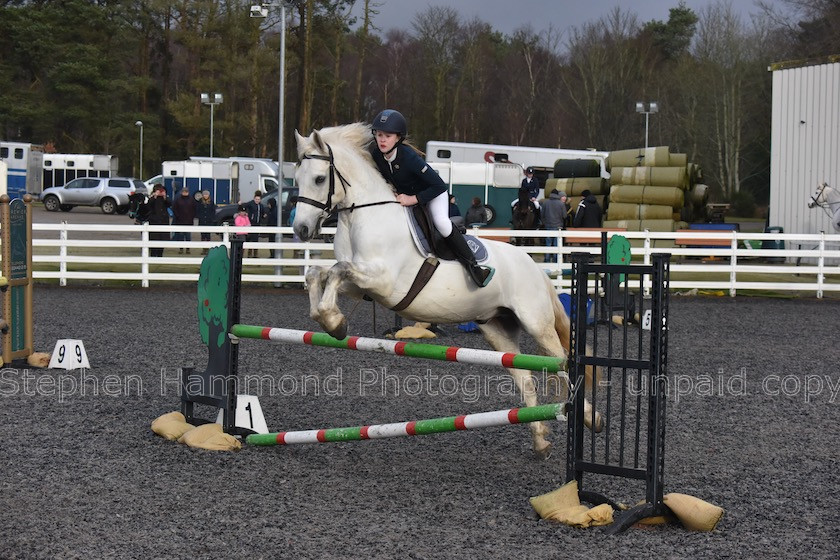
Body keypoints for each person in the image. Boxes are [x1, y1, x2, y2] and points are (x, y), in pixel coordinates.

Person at [368, 109, 493, 287]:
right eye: (379, 134)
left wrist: (413, 199)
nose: (382, 139)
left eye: (387, 135)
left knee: (441, 222)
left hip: (432, 193)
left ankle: (474, 268)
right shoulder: (377, 155)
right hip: (406, 196)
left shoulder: (410, 158)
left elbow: (439, 186)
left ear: (398, 138)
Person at [541, 189, 568, 263]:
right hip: (558, 226)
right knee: (557, 245)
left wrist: (545, 223)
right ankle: (556, 261)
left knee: (548, 244)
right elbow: (564, 216)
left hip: (548, 226)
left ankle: (547, 260)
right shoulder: (561, 204)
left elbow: (542, 215)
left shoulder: (545, 203)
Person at [146, 185, 171, 257]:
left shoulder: (165, 198)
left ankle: (160, 255)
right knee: (153, 240)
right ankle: (153, 256)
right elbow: (148, 206)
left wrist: (165, 197)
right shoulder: (152, 198)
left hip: (163, 222)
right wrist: (155, 196)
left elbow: (170, 204)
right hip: (154, 221)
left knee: (162, 241)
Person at [172, 186, 197, 254]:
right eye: (184, 191)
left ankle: (188, 249)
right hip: (179, 220)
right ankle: (181, 249)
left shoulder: (192, 200)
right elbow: (174, 208)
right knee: (180, 236)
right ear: (181, 192)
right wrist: (177, 216)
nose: (185, 193)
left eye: (186, 192)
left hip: (189, 221)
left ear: (188, 192)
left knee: (188, 236)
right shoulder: (178, 199)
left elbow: (194, 209)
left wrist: (192, 216)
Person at [244, 191, 266, 258]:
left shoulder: (261, 206)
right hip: (252, 223)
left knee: (256, 239)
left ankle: (255, 254)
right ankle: (249, 254)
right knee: (250, 239)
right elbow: (244, 205)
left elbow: (262, 213)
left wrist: (264, 216)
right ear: (254, 199)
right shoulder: (251, 204)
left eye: (258, 199)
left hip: (258, 224)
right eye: (256, 199)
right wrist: (245, 213)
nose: (257, 200)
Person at [195, 190, 216, 255]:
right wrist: (200, 217)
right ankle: (204, 249)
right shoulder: (199, 202)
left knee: (208, 235)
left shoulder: (211, 202)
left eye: (207, 194)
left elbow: (213, 211)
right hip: (202, 221)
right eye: (204, 194)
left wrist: (211, 218)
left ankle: (208, 249)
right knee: (203, 235)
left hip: (209, 221)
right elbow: (197, 210)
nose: (205, 196)